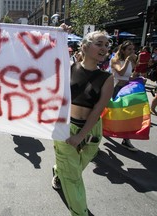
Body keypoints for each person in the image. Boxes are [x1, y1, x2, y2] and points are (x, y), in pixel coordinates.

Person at [52, 29, 114, 216]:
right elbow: (48, 56)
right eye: (99, 44)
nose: (104, 48)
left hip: (91, 132)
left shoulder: (107, 78)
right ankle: (80, 213)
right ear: (85, 47)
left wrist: (81, 136)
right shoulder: (68, 68)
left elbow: (97, 110)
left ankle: (58, 171)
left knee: (75, 169)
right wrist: (58, 33)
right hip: (65, 128)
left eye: (106, 45)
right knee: (73, 178)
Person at [110, 40, 138, 151]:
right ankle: (100, 132)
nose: (132, 51)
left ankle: (126, 140)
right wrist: (127, 61)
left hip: (127, 90)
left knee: (128, 115)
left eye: (133, 49)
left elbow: (128, 76)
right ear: (123, 50)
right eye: (129, 49)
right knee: (110, 112)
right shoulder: (115, 60)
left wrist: (137, 79)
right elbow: (120, 73)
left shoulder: (131, 61)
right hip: (115, 89)